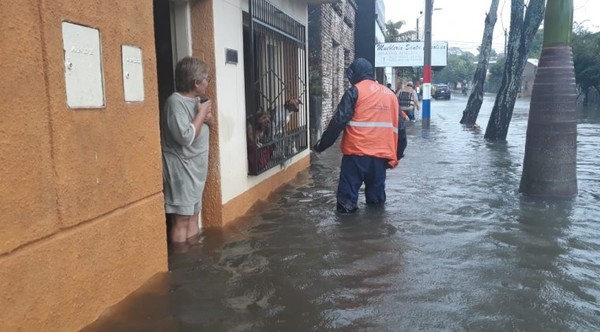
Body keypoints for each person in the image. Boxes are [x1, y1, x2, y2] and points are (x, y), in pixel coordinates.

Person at [312, 58, 399, 214]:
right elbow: (401, 131)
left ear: (356, 74)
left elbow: (338, 122)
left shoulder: (355, 92)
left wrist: (321, 146)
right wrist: (395, 156)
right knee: (377, 203)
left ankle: (347, 235)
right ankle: (377, 233)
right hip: (381, 159)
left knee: (346, 204)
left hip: (356, 157)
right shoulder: (390, 95)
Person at [160, 56, 214, 249]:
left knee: (193, 215)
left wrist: (207, 118)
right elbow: (184, 137)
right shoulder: (175, 103)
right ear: (196, 83)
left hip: (196, 169)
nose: (208, 82)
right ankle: (181, 261)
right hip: (181, 169)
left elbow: (208, 126)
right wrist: (200, 114)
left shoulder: (198, 101)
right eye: (207, 78)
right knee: (182, 219)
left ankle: (192, 261)